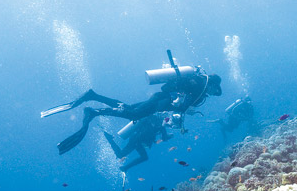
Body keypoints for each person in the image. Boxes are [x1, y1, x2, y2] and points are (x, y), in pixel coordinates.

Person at [44, 70, 222, 154]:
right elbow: (172, 89)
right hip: (159, 101)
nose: (214, 94)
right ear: (213, 84)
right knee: (133, 114)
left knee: (129, 109)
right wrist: (180, 103)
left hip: (159, 101)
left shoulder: (199, 87)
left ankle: (94, 96)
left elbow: (180, 102)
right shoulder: (197, 85)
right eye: (215, 90)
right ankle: (94, 111)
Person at [102, 112, 180, 172]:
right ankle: (124, 167)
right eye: (171, 122)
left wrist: (169, 135)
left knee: (124, 155)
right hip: (136, 139)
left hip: (138, 140)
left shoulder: (160, 125)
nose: (170, 124)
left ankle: (125, 167)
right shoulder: (156, 120)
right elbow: (157, 132)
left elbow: (164, 138)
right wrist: (165, 130)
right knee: (122, 155)